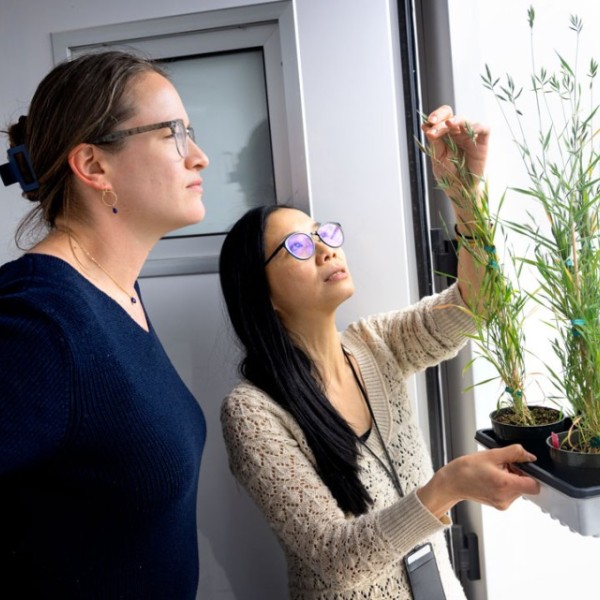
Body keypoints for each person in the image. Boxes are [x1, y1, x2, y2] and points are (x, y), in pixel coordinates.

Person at [218, 106, 540, 599]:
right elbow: (335, 558)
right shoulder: (253, 412)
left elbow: (481, 306)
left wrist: (465, 195)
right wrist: (449, 485)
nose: (326, 249)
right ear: (259, 292)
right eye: (298, 247)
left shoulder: (376, 345)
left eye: (323, 233)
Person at [0, 51, 209, 598]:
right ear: (93, 166)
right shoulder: (39, 324)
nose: (201, 158)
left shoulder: (114, 292)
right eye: (174, 134)